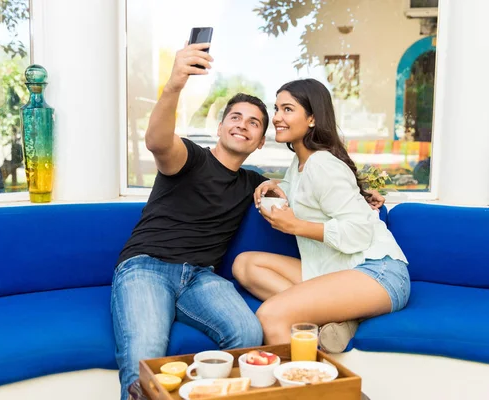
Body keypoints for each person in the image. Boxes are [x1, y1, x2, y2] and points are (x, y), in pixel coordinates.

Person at [112, 43, 386, 399]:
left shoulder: (254, 183)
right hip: (147, 268)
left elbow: (309, 190)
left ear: (259, 142)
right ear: (221, 126)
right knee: (143, 371)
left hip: (200, 279)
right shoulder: (189, 158)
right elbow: (158, 141)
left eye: (255, 122)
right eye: (236, 117)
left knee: (247, 335)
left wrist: (364, 197)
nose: (243, 125)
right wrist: (174, 85)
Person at [232, 78, 410, 353]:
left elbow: (359, 232)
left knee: (271, 315)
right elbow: (304, 189)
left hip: (379, 272)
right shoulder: (301, 162)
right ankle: (344, 315)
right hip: (340, 269)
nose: (277, 117)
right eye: (277, 108)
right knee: (245, 265)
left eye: (287, 109)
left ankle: (311, 389)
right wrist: (275, 185)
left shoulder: (323, 164)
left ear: (312, 118)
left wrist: (296, 226)